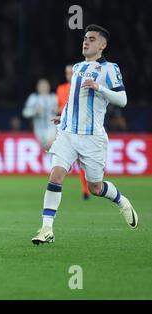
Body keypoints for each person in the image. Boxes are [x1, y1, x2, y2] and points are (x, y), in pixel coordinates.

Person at [32, 24, 138, 245]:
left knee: (96, 187)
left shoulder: (110, 69)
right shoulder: (79, 67)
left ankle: (122, 201)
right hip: (68, 133)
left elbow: (123, 100)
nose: (86, 41)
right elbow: (73, 99)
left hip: (92, 138)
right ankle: (46, 228)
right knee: (56, 175)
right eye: (84, 38)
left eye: (91, 38)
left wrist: (100, 89)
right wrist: (65, 116)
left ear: (102, 44)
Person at [57, 64, 91, 200]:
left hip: (81, 129)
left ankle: (86, 189)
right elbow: (59, 106)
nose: (69, 75)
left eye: (71, 72)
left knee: (82, 162)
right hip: (65, 129)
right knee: (61, 161)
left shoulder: (83, 89)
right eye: (67, 73)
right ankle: (56, 189)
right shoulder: (60, 89)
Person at [22, 79, 57, 151]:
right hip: (38, 128)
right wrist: (34, 111)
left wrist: (58, 110)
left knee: (50, 145)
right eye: (42, 86)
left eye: (45, 86)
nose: (44, 88)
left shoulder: (54, 97)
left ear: (49, 87)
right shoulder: (33, 98)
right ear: (38, 87)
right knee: (43, 149)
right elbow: (25, 113)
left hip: (51, 127)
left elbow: (63, 109)